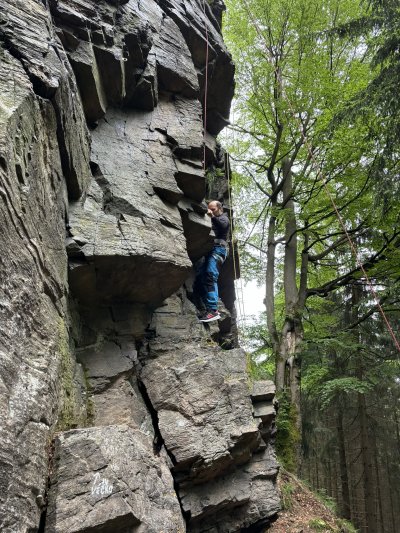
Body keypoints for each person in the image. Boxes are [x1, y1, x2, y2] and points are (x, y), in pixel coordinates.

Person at [195, 200, 229, 322]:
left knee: (210, 275)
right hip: (210, 251)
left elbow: (223, 226)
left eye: (213, 209)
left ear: (220, 209)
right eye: (209, 209)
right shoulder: (213, 218)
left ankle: (213, 310)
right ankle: (208, 309)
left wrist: (212, 216)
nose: (211, 211)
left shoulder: (224, 218)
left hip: (219, 250)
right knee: (201, 277)